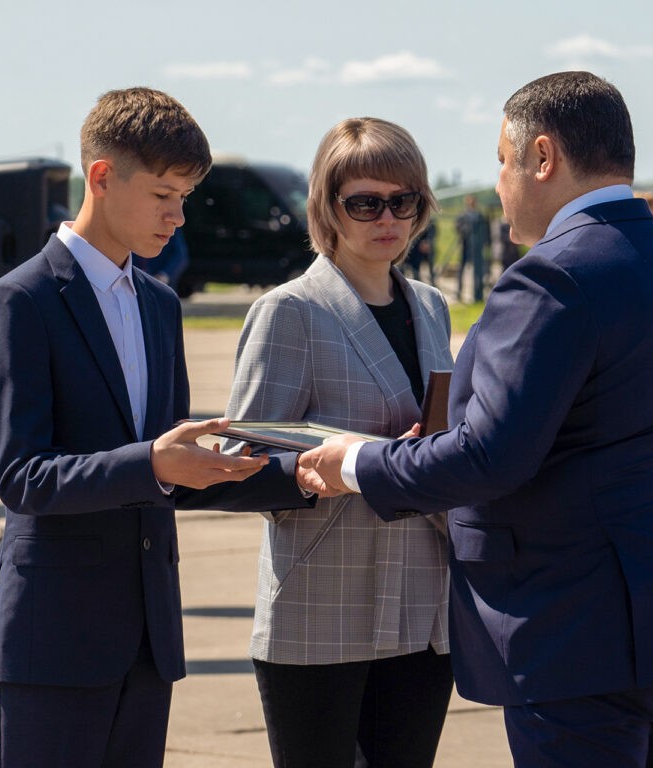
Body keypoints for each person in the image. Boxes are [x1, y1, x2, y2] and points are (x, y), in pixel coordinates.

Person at [299, 71, 653, 768]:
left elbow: (491, 456)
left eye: (503, 162)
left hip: (583, 631)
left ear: (542, 157)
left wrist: (356, 464)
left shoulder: (553, 275)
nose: (503, 182)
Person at [0, 87, 315, 768]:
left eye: (185, 197)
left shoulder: (160, 305)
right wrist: (154, 464)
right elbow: (22, 478)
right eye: (164, 195)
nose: (178, 216)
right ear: (101, 177)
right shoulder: (20, 300)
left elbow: (175, 471)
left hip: (148, 642)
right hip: (56, 641)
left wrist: (301, 476)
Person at [224, 117, 455, 768]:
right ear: (328, 207)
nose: (388, 217)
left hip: (421, 600)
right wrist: (327, 466)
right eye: (365, 202)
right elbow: (240, 463)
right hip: (323, 604)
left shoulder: (432, 307)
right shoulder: (290, 311)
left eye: (402, 200)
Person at [133, 226, 190, 293]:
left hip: (162, 285)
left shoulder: (170, 227)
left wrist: (164, 275)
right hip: (133, 284)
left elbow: (180, 256)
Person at [454, 193, 489, 301]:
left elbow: (486, 231)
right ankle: (459, 292)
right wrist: (467, 230)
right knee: (462, 269)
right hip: (465, 245)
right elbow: (458, 227)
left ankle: (478, 294)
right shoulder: (463, 215)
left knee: (478, 270)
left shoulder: (480, 216)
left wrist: (486, 243)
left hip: (477, 246)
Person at [406, 217, 437, 283]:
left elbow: (432, 233)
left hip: (426, 248)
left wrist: (428, 242)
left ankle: (432, 280)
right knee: (414, 266)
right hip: (414, 248)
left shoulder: (431, 222)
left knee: (430, 259)